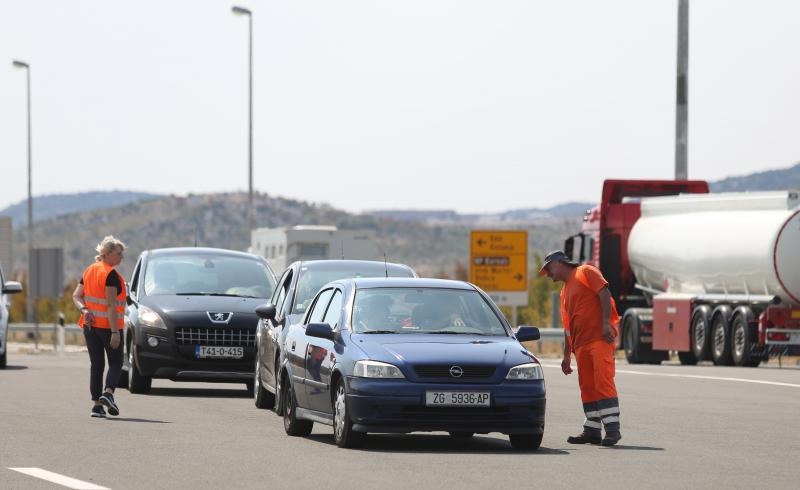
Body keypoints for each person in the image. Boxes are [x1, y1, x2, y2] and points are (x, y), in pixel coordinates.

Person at [539, 250, 622, 447]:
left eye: (549, 269)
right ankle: (592, 430)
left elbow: (604, 293)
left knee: (603, 381)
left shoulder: (586, 272)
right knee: (587, 386)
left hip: (599, 339)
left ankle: (612, 429)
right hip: (581, 345)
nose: (549, 275)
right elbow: (568, 326)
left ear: (559, 263)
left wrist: (604, 324)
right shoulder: (564, 291)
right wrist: (567, 354)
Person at [72, 235, 127, 418]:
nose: (122, 257)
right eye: (119, 253)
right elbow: (111, 305)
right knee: (117, 362)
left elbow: (76, 296)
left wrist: (84, 310)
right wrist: (115, 332)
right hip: (108, 327)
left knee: (96, 364)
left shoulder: (89, 270)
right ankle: (108, 393)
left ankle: (96, 406)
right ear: (107, 253)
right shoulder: (109, 274)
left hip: (90, 327)